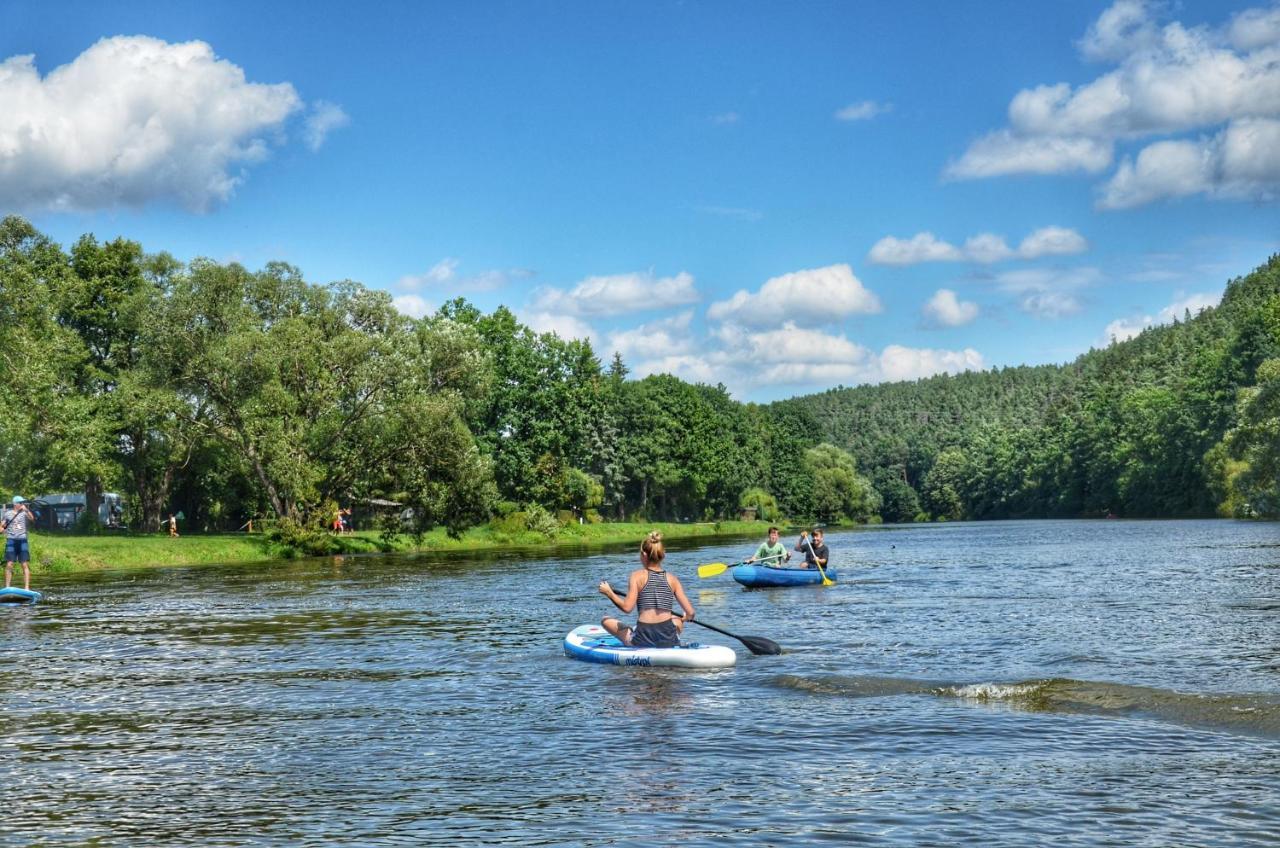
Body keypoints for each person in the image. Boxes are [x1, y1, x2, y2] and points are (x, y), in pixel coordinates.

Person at [598, 530, 695, 648]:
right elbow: (690, 612)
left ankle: (631, 632)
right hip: (668, 640)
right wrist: (685, 618)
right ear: (663, 554)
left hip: (643, 639)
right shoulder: (673, 579)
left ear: (644, 555)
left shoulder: (636, 576)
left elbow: (627, 608)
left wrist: (609, 593)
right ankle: (669, 636)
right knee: (677, 620)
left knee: (605, 620)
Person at [3, 496, 35, 591]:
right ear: (15, 504)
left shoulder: (24, 513)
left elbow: (32, 519)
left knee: (24, 564)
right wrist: (2, 528)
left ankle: (26, 588)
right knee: (9, 564)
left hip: (22, 540)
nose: (22, 504)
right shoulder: (8, 513)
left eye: (23, 503)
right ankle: (7, 587)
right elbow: (2, 525)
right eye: (21, 503)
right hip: (11, 540)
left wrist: (26, 510)